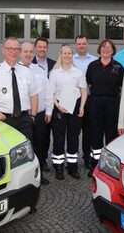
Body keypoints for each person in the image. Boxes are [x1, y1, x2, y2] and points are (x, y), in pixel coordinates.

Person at [0, 37, 38, 141]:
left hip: (24, 120)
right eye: (10, 49)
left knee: (26, 151)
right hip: (4, 120)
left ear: (19, 51)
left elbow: (34, 95)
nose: (13, 52)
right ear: (3, 50)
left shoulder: (26, 71)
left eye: (16, 49)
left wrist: (32, 116)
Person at [48, 45, 87, 180]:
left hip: (74, 107)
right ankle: (58, 166)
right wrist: (58, 106)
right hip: (59, 107)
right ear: (61, 54)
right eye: (65, 53)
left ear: (72, 55)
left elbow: (83, 91)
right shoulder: (54, 73)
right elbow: (51, 92)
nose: (67, 55)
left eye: (70, 53)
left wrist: (82, 107)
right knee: (58, 138)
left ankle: (72, 166)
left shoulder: (78, 72)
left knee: (73, 137)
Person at [86, 40, 124, 176]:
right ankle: (94, 166)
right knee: (95, 136)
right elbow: (89, 83)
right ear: (99, 49)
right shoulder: (92, 66)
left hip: (112, 104)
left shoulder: (119, 67)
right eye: (103, 47)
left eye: (109, 47)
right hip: (96, 103)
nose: (106, 49)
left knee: (111, 137)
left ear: (113, 50)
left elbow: (121, 86)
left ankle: (110, 168)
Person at [19, 42, 52, 185]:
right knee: (23, 147)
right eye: (25, 51)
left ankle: (37, 174)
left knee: (39, 145)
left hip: (38, 115)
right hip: (21, 116)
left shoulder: (39, 70)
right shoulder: (15, 69)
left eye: (30, 51)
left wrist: (49, 111)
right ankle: (22, 176)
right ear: (20, 52)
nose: (28, 54)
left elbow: (48, 91)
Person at [72, 34, 97, 170]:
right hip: (73, 100)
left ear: (87, 44)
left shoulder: (95, 60)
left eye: (84, 43)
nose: (81, 46)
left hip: (89, 100)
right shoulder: (70, 59)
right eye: (79, 44)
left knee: (89, 131)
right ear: (76, 45)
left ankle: (87, 158)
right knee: (73, 132)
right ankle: (72, 160)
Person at [32, 37, 55, 172]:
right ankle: (34, 163)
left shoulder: (54, 64)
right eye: (39, 47)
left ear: (47, 48)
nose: (42, 49)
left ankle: (43, 160)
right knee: (34, 137)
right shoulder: (28, 63)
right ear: (35, 48)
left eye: (44, 47)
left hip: (49, 107)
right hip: (34, 109)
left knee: (45, 137)